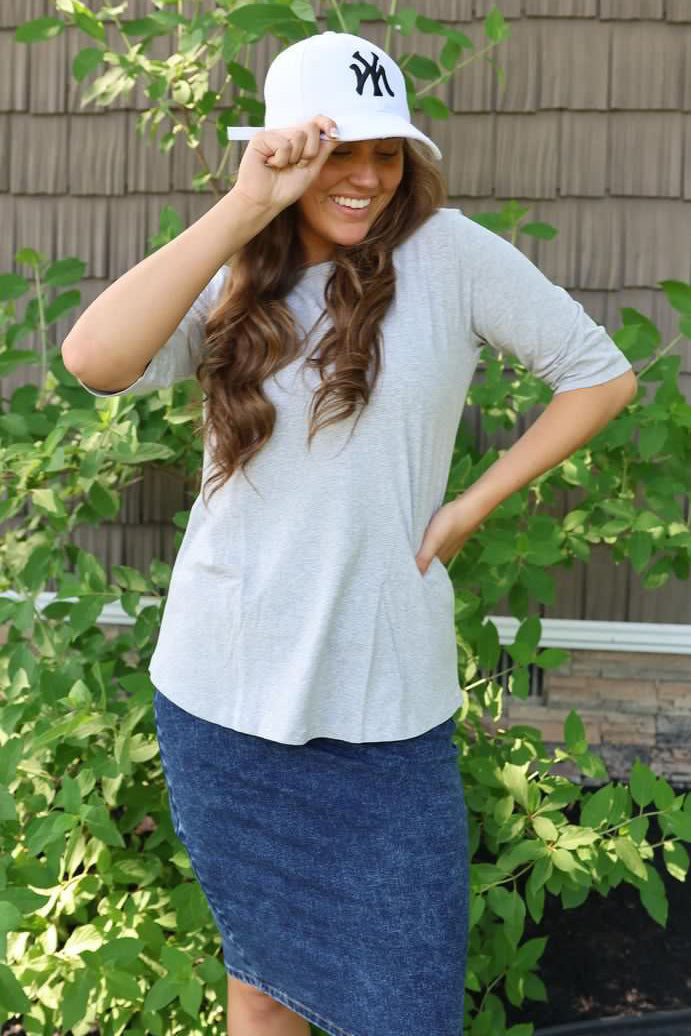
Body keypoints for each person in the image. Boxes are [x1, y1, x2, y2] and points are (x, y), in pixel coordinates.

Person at [61, 29, 637, 1036]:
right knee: (261, 980)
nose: (366, 176)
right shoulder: (238, 265)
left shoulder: (449, 256)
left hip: (385, 706)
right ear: (284, 148)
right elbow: (94, 360)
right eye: (339, 149)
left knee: (407, 1006)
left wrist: (468, 506)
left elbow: (600, 373)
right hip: (223, 696)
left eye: (386, 152)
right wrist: (247, 205)